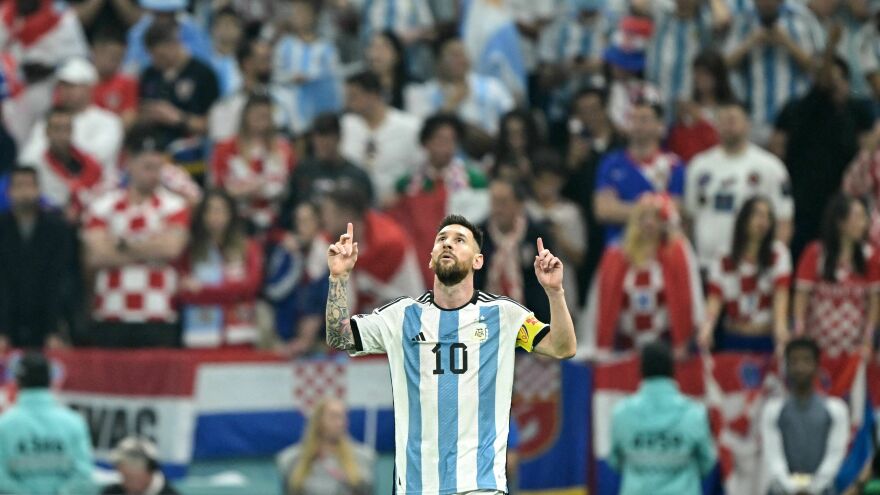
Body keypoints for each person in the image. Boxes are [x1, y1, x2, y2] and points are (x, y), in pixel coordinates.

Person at [324, 209, 576, 493]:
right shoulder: (401, 317)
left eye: (459, 240)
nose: (447, 243)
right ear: (431, 258)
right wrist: (339, 279)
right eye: (442, 239)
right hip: (417, 487)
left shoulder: (503, 315)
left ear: (478, 260)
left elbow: (562, 347)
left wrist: (555, 292)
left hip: (481, 485)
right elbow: (339, 337)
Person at [82, 124, 190, 348]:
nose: (153, 174)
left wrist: (119, 244)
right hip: (111, 310)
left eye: (158, 167)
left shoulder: (174, 205)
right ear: (129, 163)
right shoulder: (103, 205)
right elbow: (94, 256)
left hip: (158, 310)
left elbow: (172, 249)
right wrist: (151, 249)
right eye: (147, 167)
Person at [772, 48, 874, 262]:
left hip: (845, 200)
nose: (831, 85)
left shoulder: (858, 112)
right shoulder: (796, 109)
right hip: (804, 201)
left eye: (836, 79)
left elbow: (867, 154)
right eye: (825, 78)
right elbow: (778, 150)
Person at [581, 194, 703, 358]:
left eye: (655, 217)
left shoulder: (678, 255)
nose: (649, 223)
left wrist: (691, 337)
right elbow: (598, 303)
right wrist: (597, 346)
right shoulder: (615, 257)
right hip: (625, 350)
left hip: (666, 351)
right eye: (643, 217)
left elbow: (692, 296)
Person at [685, 100, 794, 272]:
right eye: (724, 120)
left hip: (752, 268)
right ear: (716, 125)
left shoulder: (771, 167)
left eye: (734, 120)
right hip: (706, 264)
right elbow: (689, 219)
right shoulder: (699, 166)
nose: (729, 125)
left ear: (747, 124)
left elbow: (784, 220)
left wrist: (772, 263)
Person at [389, 113, 489, 287]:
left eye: (451, 141)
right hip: (420, 262)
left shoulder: (474, 180)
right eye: (440, 140)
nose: (446, 147)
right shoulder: (408, 183)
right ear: (426, 143)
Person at [609, 342, 717, 494]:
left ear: (641, 370)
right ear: (672, 369)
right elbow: (707, 461)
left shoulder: (622, 413)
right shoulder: (694, 414)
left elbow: (615, 461)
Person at [699, 196, 792, 354]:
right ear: (743, 219)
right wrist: (707, 328)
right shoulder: (723, 256)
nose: (763, 222)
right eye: (758, 215)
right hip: (733, 338)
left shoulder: (778, 254)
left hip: (765, 339)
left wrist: (781, 333)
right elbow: (715, 298)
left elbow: (781, 297)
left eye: (768, 217)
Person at [723, 0, 824, 144]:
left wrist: (786, 42)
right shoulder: (744, 19)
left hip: (796, 119)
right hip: (755, 118)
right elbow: (725, 65)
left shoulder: (801, 17)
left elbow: (816, 67)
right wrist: (750, 42)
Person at [793, 194, 879, 358]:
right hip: (816, 351)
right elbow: (800, 300)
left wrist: (868, 342)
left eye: (865, 216)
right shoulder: (815, 253)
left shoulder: (871, 257)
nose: (865, 222)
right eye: (858, 216)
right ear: (841, 222)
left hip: (854, 353)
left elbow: (874, 306)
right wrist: (799, 336)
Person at [0, 168, 77, 350]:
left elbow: (60, 280)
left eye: (30, 185)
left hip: (46, 321)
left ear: (39, 190)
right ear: (9, 192)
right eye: (19, 186)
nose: (25, 192)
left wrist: (54, 330)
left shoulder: (57, 229)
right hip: (7, 320)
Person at [762, 338, 849, 495]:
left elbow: (835, 454)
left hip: (822, 490)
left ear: (817, 366)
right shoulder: (773, 409)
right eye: (794, 361)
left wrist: (812, 489)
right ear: (786, 367)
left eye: (806, 361)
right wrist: (791, 488)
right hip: (783, 491)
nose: (800, 367)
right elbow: (773, 455)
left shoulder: (835, 409)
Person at [177, 190, 263, 348]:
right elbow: (183, 292)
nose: (216, 215)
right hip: (201, 336)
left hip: (240, 334)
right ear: (202, 215)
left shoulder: (248, 247)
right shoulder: (189, 250)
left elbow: (250, 287)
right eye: (210, 210)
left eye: (221, 210)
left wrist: (202, 290)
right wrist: (231, 292)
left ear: (231, 214)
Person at [594, 99, 686, 246]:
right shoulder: (611, 163)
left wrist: (623, 209)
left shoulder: (673, 165)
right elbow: (604, 210)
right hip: (620, 248)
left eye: (644, 120)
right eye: (633, 119)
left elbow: (674, 211)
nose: (637, 125)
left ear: (659, 126)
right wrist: (652, 212)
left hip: (658, 250)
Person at [563, 87, 626, 300]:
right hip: (586, 229)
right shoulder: (575, 147)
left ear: (605, 110)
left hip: (617, 230)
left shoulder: (622, 144)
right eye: (584, 111)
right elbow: (565, 195)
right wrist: (571, 164)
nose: (590, 116)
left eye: (594, 109)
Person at [320, 184, 423, 314]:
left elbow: (412, 298)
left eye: (328, 213)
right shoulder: (331, 239)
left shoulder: (391, 243)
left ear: (347, 215)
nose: (323, 219)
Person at [0, 353, 93, 495]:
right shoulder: (74, 422)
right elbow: (83, 474)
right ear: (51, 380)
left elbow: (2, 479)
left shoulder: (4, 425)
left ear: (17, 382)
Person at [0, 0, 89, 145]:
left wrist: (53, 68)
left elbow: (79, 57)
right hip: (13, 86)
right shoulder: (5, 13)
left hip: (51, 84)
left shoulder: (62, 17)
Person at [139, 21, 219, 179]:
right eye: (152, 56)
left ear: (173, 45)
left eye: (160, 56)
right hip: (155, 154)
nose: (156, 61)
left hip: (192, 158)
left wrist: (178, 118)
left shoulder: (203, 74)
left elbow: (214, 124)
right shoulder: (150, 74)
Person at [21, 58, 124, 175]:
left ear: (89, 88)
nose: (66, 91)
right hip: (51, 186)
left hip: (96, 189)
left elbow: (97, 158)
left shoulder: (109, 121)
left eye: (72, 86)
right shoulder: (47, 120)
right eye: (62, 86)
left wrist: (57, 147)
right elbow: (29, 157)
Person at [209, 94, 296, 233]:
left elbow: (292, 187)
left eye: (265, 115)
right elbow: (215, 190)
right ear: (246, 116)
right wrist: (239, 191)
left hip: (277, 220)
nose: (261, 119)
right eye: (256, 114)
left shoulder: (283, 149)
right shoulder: (225, 149)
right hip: (237, 220)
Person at [474, 178, 556, 322]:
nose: (498, 209)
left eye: (504, 202)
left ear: (519, 204)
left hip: (531, 319)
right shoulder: (477, 236)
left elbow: (546, 286)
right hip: (484, 319)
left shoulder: (537, 236)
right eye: (494, 202)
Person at [404, 35, 515, 137]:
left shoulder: (493, 87)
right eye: (453, 55)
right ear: (438, 61)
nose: (460, 60)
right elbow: (420, 132)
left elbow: (512, 120)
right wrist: (451, 105)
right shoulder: (421, 93)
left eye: (462, 54)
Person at [340, 71, 421, 206]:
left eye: (353, 97)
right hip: (354, 206)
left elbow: (421, 170)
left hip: (399, 205)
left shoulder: (410, 127)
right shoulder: (345, 126)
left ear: (372, 95)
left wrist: (401, 194)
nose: (348, 103)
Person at [21, 106, 111, 221]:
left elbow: (100, 189)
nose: (62, 135)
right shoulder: (35, 164)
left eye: (66, 129)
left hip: (87, 217)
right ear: (47, 132)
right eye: (57, 129)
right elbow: (32, 197)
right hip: (50, 220)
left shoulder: (89, 161)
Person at [281, 113, 374, 223]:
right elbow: (288, 212)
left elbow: (367, 217)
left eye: (328, 139)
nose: (322, 144)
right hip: (308, 235)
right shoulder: (303, 171)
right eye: (319, 139)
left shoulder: (357, 176)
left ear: (339, 138)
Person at [526, 149, 587, 314]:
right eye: (542, 180)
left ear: (560, 181)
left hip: (564, 286)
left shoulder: (570, 212)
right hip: (529, 290)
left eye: (551, 181)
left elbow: (580, 258)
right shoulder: (526, 210)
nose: (546, 186)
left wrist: (558, 236)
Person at [265, 201, 329, 357]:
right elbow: (273, 292)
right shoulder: (284, 252)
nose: (302, 226)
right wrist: (295, 261)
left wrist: (307, 338)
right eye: (298, 221)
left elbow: (325, 298)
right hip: (284, 332)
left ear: (317, 223)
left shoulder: (328, 253)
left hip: (319, 335)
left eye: (307, 221)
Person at [277, 398, 374, 495]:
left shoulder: (362, 457)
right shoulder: (292, 459)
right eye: (334, 417)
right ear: (318, 421)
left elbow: (367, 490)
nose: (341, 423)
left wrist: (346, 478)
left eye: (343, 417)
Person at [272, 0, 342, 134]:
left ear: (314, 16)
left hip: (321, 112)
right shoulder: (284, 46)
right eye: (296, 13)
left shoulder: (327, 48)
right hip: (291, 113)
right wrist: (291, 78)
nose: (300, 17)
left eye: (304, 12)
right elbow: (276, 77)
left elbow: (335, 81)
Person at [209, 38, 296, 141]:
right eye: (264, 59)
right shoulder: (226, 107)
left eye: (270, 59)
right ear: (247, 64)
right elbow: (222, 147)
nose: (270, 65)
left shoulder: (285, 98)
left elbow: (297, 138)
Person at [666, 50, 732, 162]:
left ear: (718, 76)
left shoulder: (730, 109)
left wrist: (701, 120)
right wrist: (680, 124)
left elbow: (729, 142)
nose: (700, 78)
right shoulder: (687, 107)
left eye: (706, 74)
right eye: (697, 73)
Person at [122, 0, 212, 75]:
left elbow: (203, 64)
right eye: (159, 13)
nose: (164, 19)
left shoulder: (193, 29)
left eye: (169, 13)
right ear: (152, 11)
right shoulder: (139, 32)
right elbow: (131, 65)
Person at [91, 30, 139, 128]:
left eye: (120, 58)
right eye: (112, 57)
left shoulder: (127, 83)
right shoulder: (80, 79)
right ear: (96, 51)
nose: (116, 62)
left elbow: (129, 117)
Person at [102, 437, 179, 495]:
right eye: (123, 477)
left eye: (129, 478)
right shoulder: (112, 492)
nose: (124, 483)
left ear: (149, 471)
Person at [488, 109, 543, 182]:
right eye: (510, 134)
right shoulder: (496, 159)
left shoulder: (543, 160)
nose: (516, 141)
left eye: (521, 134)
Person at [365, 31, 411, 110]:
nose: (376, 53)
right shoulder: (362, 87)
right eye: (373, 47)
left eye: (383, 48)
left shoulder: (412, 86)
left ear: (398, 54)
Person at [208, 7, 243, 99]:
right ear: (213, 29)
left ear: (240, 30)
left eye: (232, 23)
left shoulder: (246, 62)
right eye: (223, 24)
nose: (227, 28)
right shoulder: (204, 60)